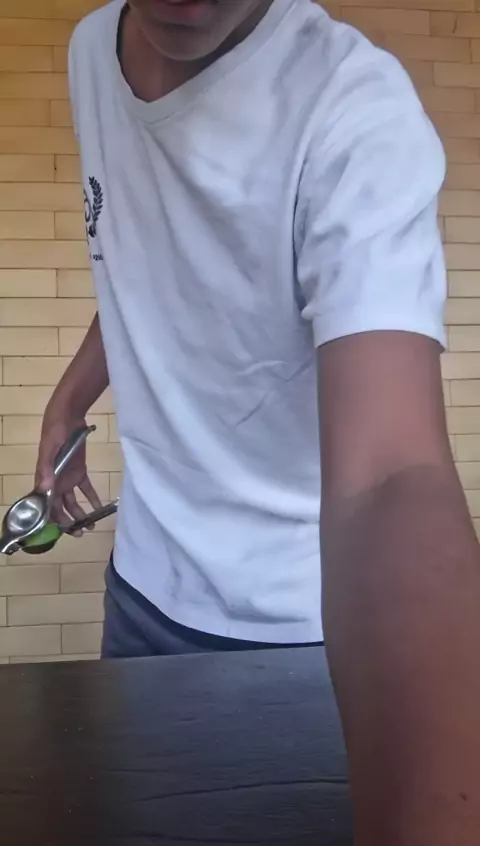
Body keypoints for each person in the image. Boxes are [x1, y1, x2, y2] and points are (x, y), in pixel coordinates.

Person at [35, 0, 480, 841]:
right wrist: (70, 396)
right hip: (142, 593)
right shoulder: (92, 49)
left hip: (302, 635)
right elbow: (142, 253)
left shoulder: (353, 108)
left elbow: (393, 475)